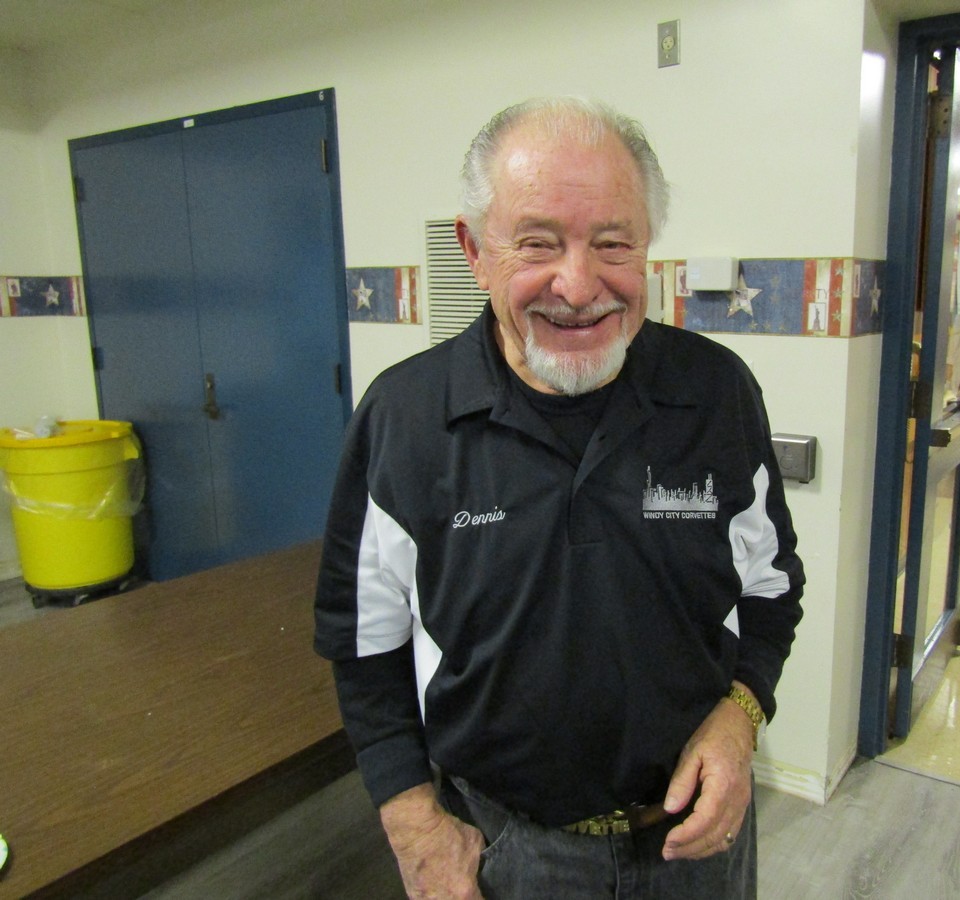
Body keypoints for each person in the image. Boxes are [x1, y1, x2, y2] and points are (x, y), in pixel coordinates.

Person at [313, 97, 805, 899]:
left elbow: (772, 589)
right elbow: (362, 642)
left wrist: (740, 718)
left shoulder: (717, 394)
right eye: (538, 243)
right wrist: (412, 824)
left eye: (612, 244)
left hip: (697, 843)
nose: (578, 287)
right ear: (475, 250)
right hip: (508, 854)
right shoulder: (403, 421)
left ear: (646, 246)